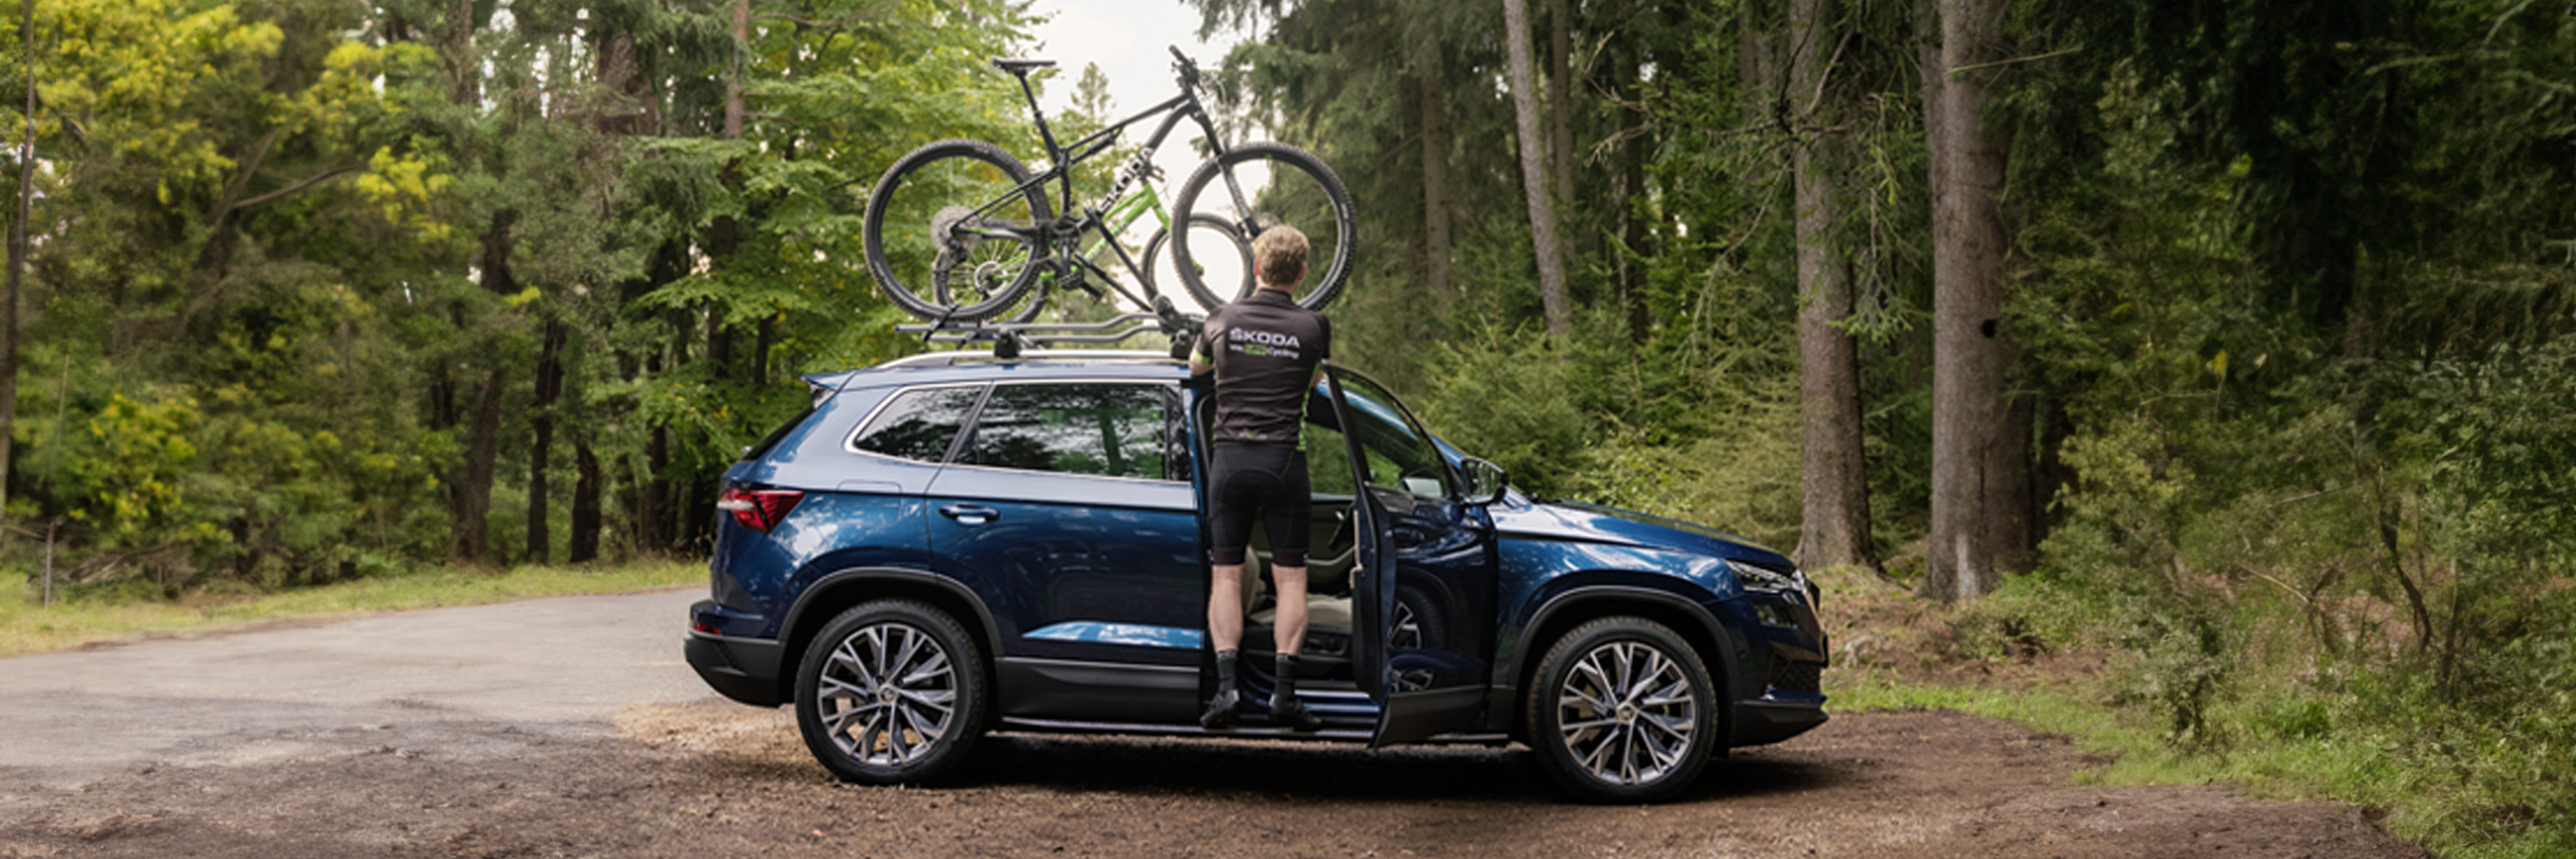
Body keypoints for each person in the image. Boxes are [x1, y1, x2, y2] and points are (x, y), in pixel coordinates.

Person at [1189, 225, 1330, 731]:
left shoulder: (1221, 318)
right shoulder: (1315, 326)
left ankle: (1227, 692)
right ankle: (1284, 697)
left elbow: (1197, 368)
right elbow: (1315, 379)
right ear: (1302, 273)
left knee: (1226, 575)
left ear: (1255, 268)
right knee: (1291, 579)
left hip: (1230, 462)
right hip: (1284, 463)